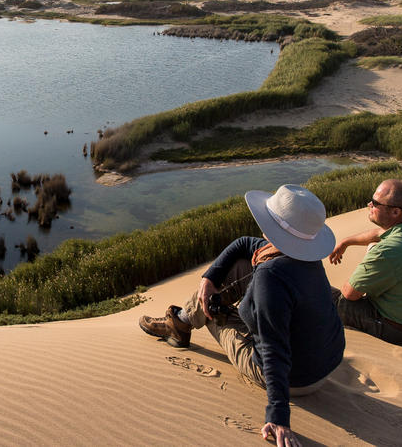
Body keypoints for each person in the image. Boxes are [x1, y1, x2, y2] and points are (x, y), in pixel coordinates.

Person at [139, 185, 345, 447]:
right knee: (237, 267)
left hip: (294, 380)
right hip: (322, 367)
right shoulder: (305, 257)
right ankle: (181, 319)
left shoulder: (270, 278)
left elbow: (274, 350)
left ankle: (179, 323)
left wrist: (278, 416)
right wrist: (210, 277)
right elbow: (244, 244)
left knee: (208, 306)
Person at [328, 179, 402, 345]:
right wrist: (346, 242)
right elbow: (379, 233)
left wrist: (368, 263)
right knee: (374, 244)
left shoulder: (389, 250)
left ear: (395, 212)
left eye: (376, 203)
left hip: (396, 330)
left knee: (324, 294)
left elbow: (350, 294)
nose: (369, 204)